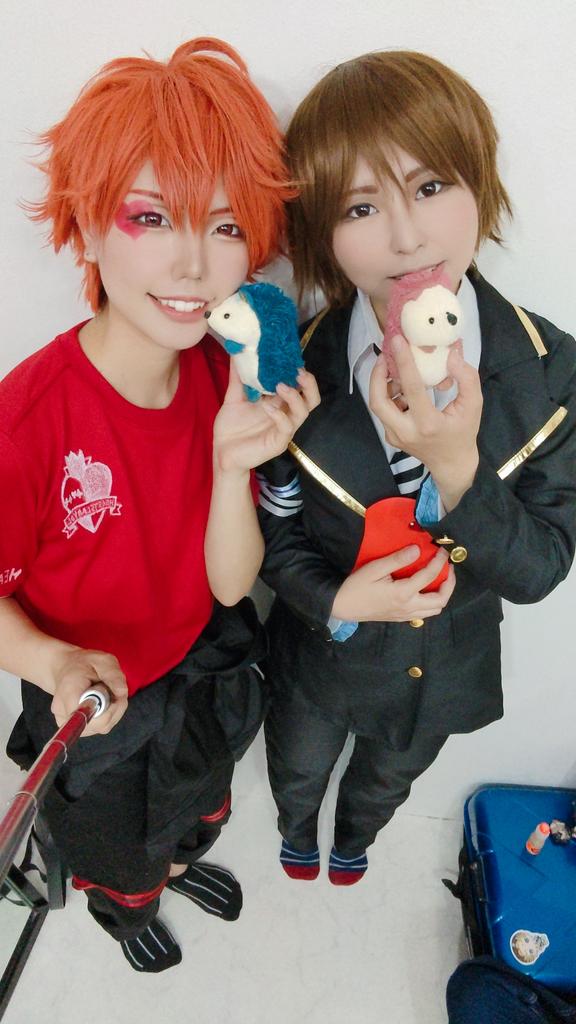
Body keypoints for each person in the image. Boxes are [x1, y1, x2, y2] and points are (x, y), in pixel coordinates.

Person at [0, 37, 318, 971]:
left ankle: (177, 862)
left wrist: (231, 463)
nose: (191, 264)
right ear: (87, 223)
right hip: (93, 703)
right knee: (117, 845)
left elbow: (230, 585)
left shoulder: (225, 373)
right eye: (149, 216)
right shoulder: (27, 423)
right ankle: (127, 910)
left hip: (201, 662)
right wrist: (53, 659)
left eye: (224, 227)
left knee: (196, 805)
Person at [258, 50, 576, 886]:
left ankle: (355, 839)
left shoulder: (553, 371)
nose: (407, 237)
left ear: (480, 183)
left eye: (431, 186)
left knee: (387, 780)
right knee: (297, 764)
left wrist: (458, 469)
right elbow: (274, 528)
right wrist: (335, 601)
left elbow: (541, 569)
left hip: (447, 668)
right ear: (321, 232)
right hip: (320, 659)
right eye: (361, 206)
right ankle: (297, 833)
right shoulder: (291, 371)